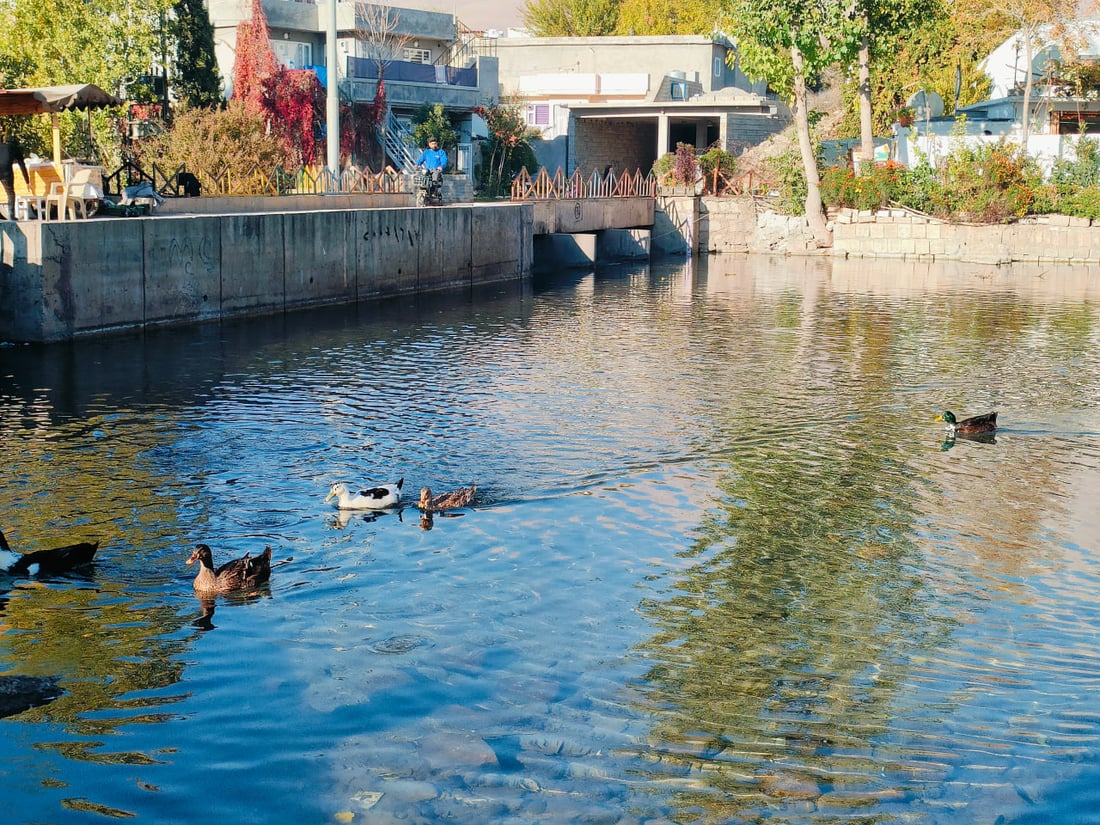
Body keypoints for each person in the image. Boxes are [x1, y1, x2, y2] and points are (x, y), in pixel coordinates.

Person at [1, 133, 31, 221]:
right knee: (10, 192)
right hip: (6, 171)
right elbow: (22, 165)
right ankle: (11, 216)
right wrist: (27, 181)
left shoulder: (5, 146)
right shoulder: (14, 148)